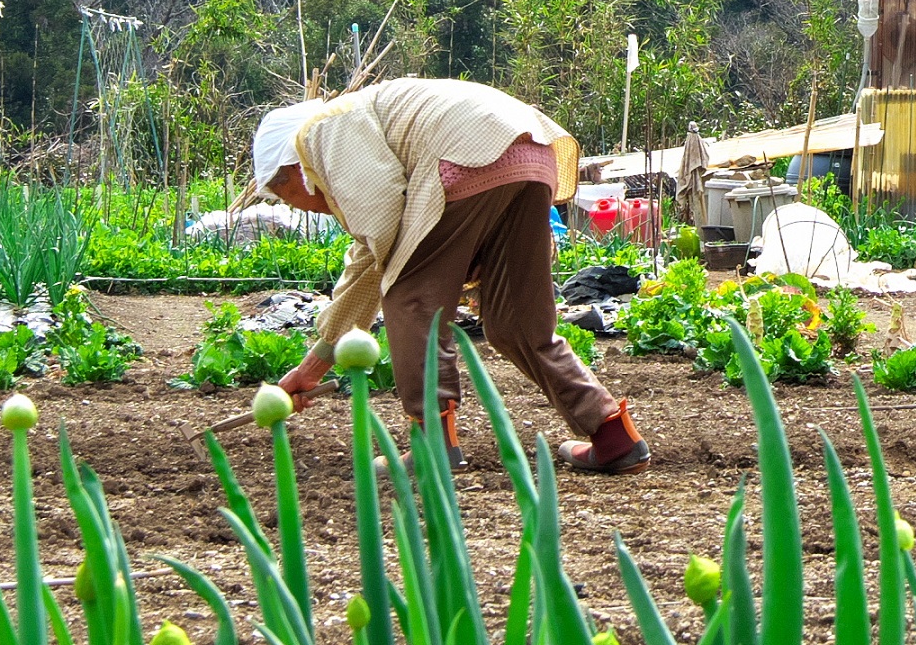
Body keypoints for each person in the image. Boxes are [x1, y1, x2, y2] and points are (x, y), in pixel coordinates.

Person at [256, 77, 648, 473]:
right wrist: (313, 367)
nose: (308, 209)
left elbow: (380, 235)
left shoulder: (324, 131)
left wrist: (421, 276)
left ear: (293, 171)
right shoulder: (363, 119)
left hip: (467, 157)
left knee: (410, 298)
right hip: (531, 154)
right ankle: (612, 434)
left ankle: (433, 445)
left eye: (290, 198)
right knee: (517, 321)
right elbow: (373, 248)